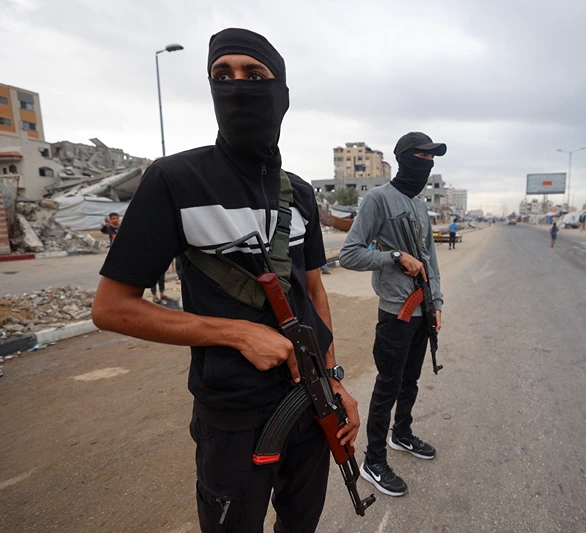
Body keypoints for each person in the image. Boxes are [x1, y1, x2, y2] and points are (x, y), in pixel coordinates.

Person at [91, 28, 359, 533]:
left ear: (280, 93)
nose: (237, 85)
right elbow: (111, 308)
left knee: (301, 524)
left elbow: (314, 291)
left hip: (310, 399)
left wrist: (335, 379)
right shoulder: (174, 180)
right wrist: (234, 333)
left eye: (253, 74)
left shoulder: (298, 193)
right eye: (222, 75)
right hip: (233, 416)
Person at [339, 132, 445, 497]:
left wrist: (438, 303)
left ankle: (402, 434)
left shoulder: (420, 205)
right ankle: (375, 461)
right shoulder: (378, 199)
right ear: (404, 159)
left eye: (432, 159)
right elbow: (350, 254)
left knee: (410, 381)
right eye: (422, 156)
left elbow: (430, 258)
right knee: (387, 386)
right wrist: (395, 257)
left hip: (422, 311)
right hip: (395, 316)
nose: (427, 164)